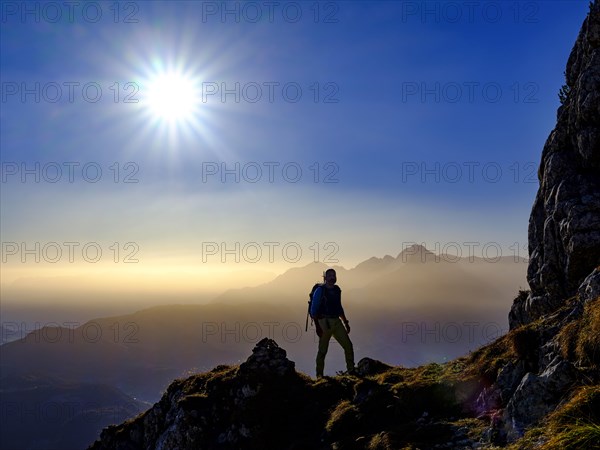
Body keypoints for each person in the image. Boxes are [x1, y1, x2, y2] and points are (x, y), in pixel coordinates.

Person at [310, 268, 355, 377]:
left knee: (348, 346)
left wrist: (345, 322)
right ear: (325, 278)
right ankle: (319, 376)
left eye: (333, 275)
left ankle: (352, 371)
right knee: (322, 351)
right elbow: (313, 310)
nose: (332, 277)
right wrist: (317, 327)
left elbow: (339, 307)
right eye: (329, 275)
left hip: (336, 321)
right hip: (324, 323)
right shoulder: (320, 291)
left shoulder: (337, 290)